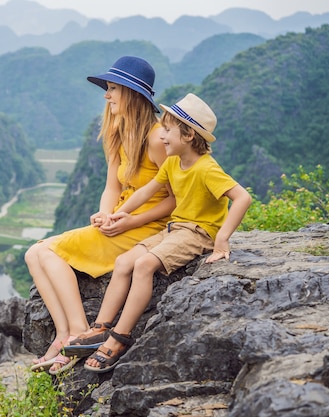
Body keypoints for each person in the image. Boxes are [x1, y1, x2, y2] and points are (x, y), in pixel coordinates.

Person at [80, 93, 252, 373]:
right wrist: (119, 213)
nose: (162, 137)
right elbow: (146, 191)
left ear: (188, 135)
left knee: (144, 265)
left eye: (168, 131)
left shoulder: (207, 168)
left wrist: (222, 238)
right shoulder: (173, 163)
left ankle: (119, 338)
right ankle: (100, 327)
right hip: (176, 227)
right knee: (124, 262)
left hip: (198, 232)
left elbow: (242, 198)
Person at [26, 56, 176, 375]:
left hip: (148, 228)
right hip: (120, 220)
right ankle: (64, 335)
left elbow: (175, 201)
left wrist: (128, 220)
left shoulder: (158, 138)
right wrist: (104, 214)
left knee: (47, 253)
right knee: (33, 254)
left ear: (131, 94)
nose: (106, 96)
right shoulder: (118, 132)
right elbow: (112, 186)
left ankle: (79, 333)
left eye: (111, 89)